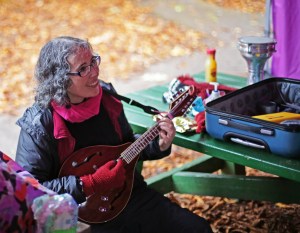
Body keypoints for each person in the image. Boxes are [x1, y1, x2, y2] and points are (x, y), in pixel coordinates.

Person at [15, 36, 213, 233]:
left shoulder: (106, 96)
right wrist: (90, 183)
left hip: (129, 197)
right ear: (59, 80)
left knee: (198, 229)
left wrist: (158, 144)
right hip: (77, 218)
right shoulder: (39, 124)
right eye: (83, 69)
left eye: (93, 61)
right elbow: (30, 190)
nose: (94, 72)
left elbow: (126, 146)